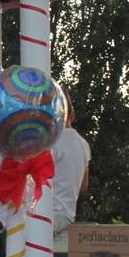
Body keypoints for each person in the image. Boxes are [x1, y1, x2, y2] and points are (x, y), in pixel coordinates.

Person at [49, 91, 90, 237]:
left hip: (49, 214)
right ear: (72, 116)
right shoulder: (84, 145)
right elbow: (83, 187)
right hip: (68, 215)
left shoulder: (52, 142)